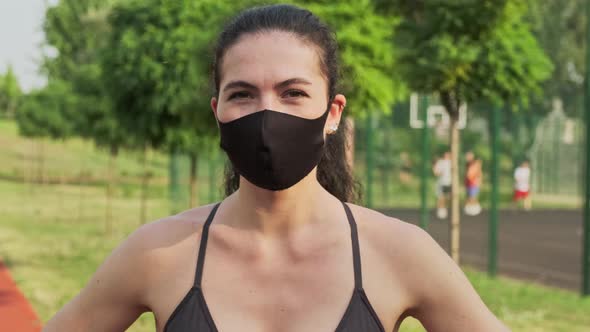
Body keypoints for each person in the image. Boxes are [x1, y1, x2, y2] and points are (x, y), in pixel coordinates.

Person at [43, 5, 508, 332]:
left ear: (332, 113)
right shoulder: (159, 252)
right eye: (242, 94)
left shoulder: (399, 252)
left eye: (293, 93)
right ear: (217, 111)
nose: (266, 115)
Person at [433, 152, 452, 219]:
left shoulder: (452, 162)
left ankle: (444, 210)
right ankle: (440, 210)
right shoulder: (440, 162)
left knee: (448, 197)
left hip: (449, 183)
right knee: (441, 197)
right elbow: (436, 172)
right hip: (441, 182)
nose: (447, 155)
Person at [464, 151, 482, 216]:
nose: (467, 157)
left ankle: (476, 210)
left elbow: (473, 173)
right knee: (469, 197)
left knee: (473, 197)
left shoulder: (474, 163)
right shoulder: (468, 164)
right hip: (469, 183)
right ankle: (471, 210)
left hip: (473, 183)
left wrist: (478, 181)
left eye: (468, 156)